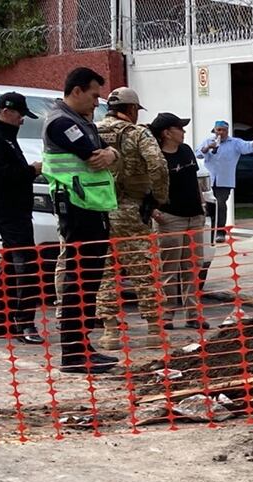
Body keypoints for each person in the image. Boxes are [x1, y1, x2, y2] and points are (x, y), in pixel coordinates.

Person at [41, 67, 120, 374]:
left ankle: (82, 346)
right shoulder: (62, 122)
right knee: (80, 279)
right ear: (77, 91)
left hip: (90, 205)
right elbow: (92, 155)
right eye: (94, 95)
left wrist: (110, 153)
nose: (97, 102)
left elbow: (106, 153)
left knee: (90, 280)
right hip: (76, 207)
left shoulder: (80, 121)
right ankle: (73, 353)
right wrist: (107, 154)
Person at [95, 87, 169, 351]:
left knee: (106, 271)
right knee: (144, 269)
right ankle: (153, 331)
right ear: (132, 110)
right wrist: (158, 197)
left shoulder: (92, 131)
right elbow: (158, 165)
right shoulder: (137, 133)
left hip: (100, 210)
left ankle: (111, 332)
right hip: (132, 209)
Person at [0, 92, 45, 345]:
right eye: (20, 115)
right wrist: (32, 170)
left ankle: (3, 322)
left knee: (10, 266)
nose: (22, 120)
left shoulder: (6, 137)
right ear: (6, 112)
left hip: (16, 210)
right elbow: (2, 176)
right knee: (25, 266)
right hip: (8, 212)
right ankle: (23, 322)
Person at [149, 112, 208, 330]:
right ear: (167, 133)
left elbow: (194, 181)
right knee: (169, 268)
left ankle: (193, 314)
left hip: (194, 216)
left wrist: (201, 206)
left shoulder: (186, 151)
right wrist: (155, 211)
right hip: (170, 218)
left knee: (192, 267)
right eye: (179, 128)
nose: (183, 131)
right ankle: (166, 315)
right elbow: (147, 186)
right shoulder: (156, 157)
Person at [197, 120, 253, 243]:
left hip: (225, 180)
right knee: (209, 206)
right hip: (209, 180)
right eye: (218, 130)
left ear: (227, 131)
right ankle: (210, 232)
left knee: (220, 204)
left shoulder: (234, 143)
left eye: (223, 130)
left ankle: (221, 232)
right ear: (214, 131)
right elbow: (198, 154)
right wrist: (208, 148)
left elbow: (248, 146)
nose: (220, 133)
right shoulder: (208, 142)